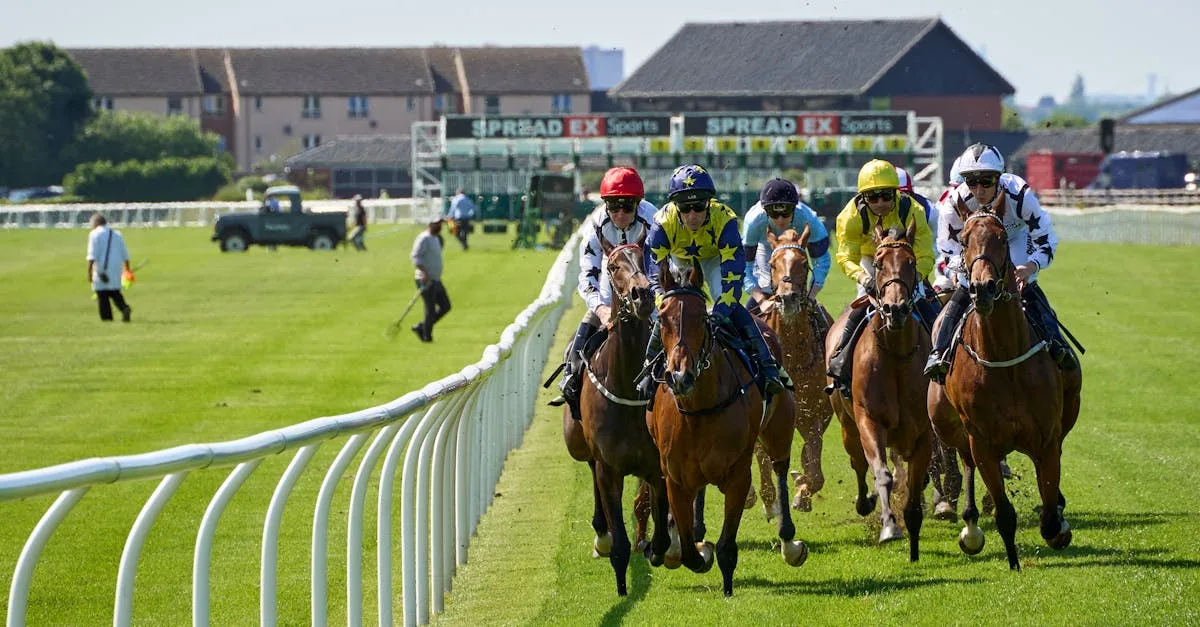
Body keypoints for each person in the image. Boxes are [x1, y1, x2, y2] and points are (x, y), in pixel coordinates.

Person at [924, 143, 1078, 382]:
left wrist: (1031, 266)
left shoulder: (1020, 194)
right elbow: (947, 250)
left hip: (1014, 238)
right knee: (967, 287)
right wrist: (961, 270)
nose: (979, 189)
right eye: (971, 182)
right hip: (973, 249)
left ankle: (1056, 342)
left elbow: (1047, 239)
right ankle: (939, 352)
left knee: (1025, 286)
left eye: (986, 181)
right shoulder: (953, 204)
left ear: (999, 177)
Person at [636, 164, 784, 398]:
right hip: (679, 259)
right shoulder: (661, 223)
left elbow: (733, 280)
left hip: (714, 259)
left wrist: (719, 313)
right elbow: (655, 277)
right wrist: (662, 303)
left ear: (709, 203)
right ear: (676, 206)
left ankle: (768, 366)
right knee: (670, 312)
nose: (692, 214)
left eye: (699, 206)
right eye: (685, 207)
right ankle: (647, 371)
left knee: (730, 305)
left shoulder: (725, 220)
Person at [824, 159, 936, 397]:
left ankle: (942, 354)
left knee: (927, 304)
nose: (881, 203)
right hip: (869, 260)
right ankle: (841, 360)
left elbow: (926, 253)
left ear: (895, 193)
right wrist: (864, 279)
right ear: (863, 198)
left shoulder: (912, 210)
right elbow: (845, 257)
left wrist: (915, 276)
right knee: (863, 304)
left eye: (886, 196)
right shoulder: (850, 217)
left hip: (905, 260)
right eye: (873, 197)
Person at [548, 166, 657, 407]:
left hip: (648, 277)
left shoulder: (654, 220)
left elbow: (664, 263)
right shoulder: (596, 224)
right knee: (587, 324)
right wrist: (600, 309)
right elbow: (587, 277)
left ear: (638, 204)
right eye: (613, 206)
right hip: (614, 279)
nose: (619, 213)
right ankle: (571, 375)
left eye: (627, 206)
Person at [741, 177, 831, 313]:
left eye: (786, 212)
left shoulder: (809, 219)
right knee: (766, 286)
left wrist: (811, 297)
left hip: (797, 251)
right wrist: (761, 300)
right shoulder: (753, 220)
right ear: (764, 210)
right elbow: (743, 266)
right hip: (765, 247)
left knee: (796, 288)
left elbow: (821, 262)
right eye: (774, 214)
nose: (780, 219)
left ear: (795, 208)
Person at [895, 166, 951, 312]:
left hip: (915, 267)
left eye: (904, 195)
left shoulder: (929, 211)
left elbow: (940, 247)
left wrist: (942, 274)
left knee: (928, 308)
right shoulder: (866, 211)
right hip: (881, 269)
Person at [409, 213, 451, 342]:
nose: (439, 226)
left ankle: (421, 327)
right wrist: (425, 273)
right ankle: (427, 337)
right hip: (425, 278)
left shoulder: (437, 238)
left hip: (436, 278)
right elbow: (415, 257)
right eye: (437, 223)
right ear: (430, 224)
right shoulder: (424, 238)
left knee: (445, 306)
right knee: (430, 308)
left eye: (440, 224)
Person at [86, 212, 133, 322]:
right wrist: (127, 269)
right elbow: (125, 253)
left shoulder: (94, 234)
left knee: (102, 294)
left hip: (101, 268)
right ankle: (124, 308)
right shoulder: (117, 234)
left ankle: (107, 319)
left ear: (95, 223)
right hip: (116, 267)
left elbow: (92, 255)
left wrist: (89, 272)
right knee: (114, 291)